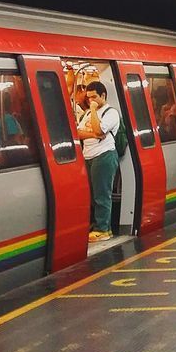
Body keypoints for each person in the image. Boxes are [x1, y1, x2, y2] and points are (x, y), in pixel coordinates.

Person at [76, 82, 122, 241]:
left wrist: (95, 110)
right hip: (88, 156)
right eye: (89, 98)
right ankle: (100, 225)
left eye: (94, 97)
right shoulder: (87, 114)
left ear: (103, 95)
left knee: (102, 194)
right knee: (92, 194)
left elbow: (99, 129)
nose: (90, 101)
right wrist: (94, 135)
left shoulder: (111, 113)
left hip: (104, 156)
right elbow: (78, 133)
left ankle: (102, 229)